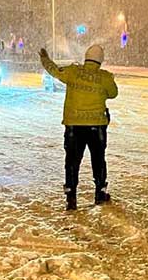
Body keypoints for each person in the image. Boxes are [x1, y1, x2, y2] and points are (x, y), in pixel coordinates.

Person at [40, 45, 119, 210]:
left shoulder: (73, 72)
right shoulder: (104, 77)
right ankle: (100, 192)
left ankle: (71, 195)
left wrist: (45, 59)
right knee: (98, 160)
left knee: (72, 161)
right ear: (100, 60)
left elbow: (54, 71)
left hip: (74, 126)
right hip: (97, 127)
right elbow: (113, 93)